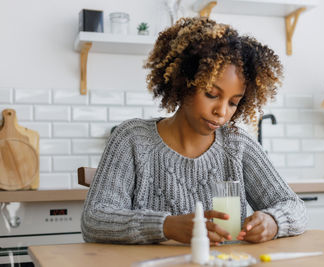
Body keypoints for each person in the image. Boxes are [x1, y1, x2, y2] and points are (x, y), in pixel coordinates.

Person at [81, 17, 307, 245]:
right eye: (211, 95)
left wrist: (273, 221)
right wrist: (166, 226)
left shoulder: (237, 146)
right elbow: (95, 219)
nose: (222, 112)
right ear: (184, 83)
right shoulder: (132, 139)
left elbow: (294, 206)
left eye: (233, 102)